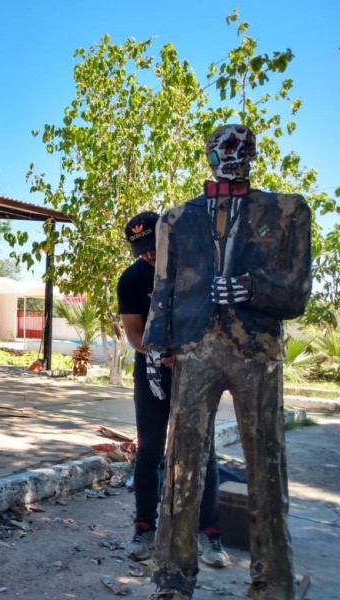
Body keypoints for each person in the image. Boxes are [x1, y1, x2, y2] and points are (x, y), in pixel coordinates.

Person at [144, 124, 312, 600]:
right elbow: (164, 289)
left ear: (254, 153)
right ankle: (173, 576)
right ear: (209, 153)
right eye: (224, 146)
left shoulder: (286, 211)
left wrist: (252, 289)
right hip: (196, 350)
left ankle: (272, 582)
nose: (233, 154)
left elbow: (298, 291)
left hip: (256, 351)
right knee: (180, 465)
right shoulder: (176, 220)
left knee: (267, 466)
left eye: (242, 146)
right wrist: (157, 350)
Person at [117, 212, 230, 568]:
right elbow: (133, 332)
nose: (149, 255)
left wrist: (187, 352)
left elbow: (212, 320)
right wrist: (153, 349)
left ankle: (210, 534)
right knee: (149, 449)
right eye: (141, 250)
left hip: (195, 370)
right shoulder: (131, 279)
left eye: (154, 247)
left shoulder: (194, 269)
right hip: (151, 371)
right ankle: (144, 528)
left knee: (204, 448)